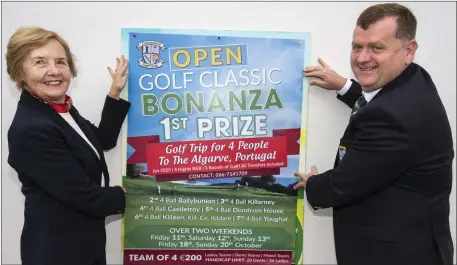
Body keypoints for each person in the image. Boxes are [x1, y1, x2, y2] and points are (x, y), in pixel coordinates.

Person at [294, 3, 454, 265]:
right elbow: (380, 105)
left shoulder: (394, 118)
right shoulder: (414, 81)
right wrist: (345, 86)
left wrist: (312, 184)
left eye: (377, 48)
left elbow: (342, 185)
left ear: (409, 50)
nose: (362, 58)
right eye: (357, 47)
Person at [6, 27, 130, 265]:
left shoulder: (61, 110)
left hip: (85, 243)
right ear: (19, 71)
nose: (54, 71)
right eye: (40, 62)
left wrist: (114, 93)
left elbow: (101, 140)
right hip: (58, 251)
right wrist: (135, 196)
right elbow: (85, 196)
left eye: (60, 61)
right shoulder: (31, 129)